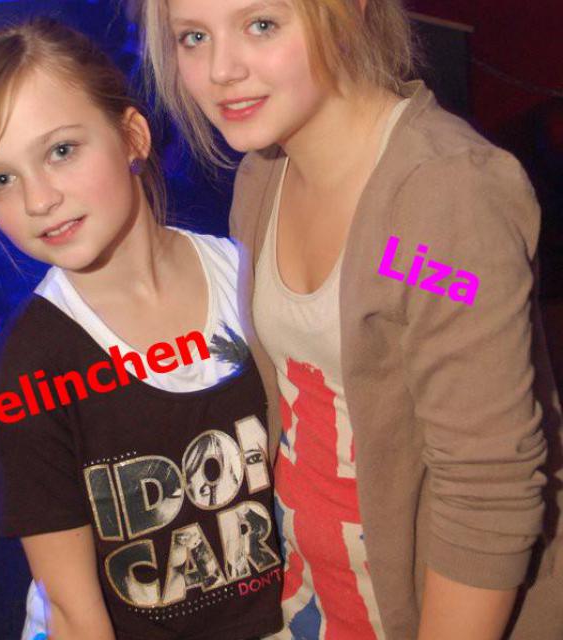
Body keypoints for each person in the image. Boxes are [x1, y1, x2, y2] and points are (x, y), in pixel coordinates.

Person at [139, 0, 563, 638]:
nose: (220, 70)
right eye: (194, 37)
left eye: (261, 24)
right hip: (308, 594)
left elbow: (488, 492)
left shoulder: (442, 199)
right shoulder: (262, 176)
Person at [0, 18, 283, 640]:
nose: (38, 199)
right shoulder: (35, 363)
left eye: (60, 151)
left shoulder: (250, 274)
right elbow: (74, 614)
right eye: (1, 179)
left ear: (132, 137)